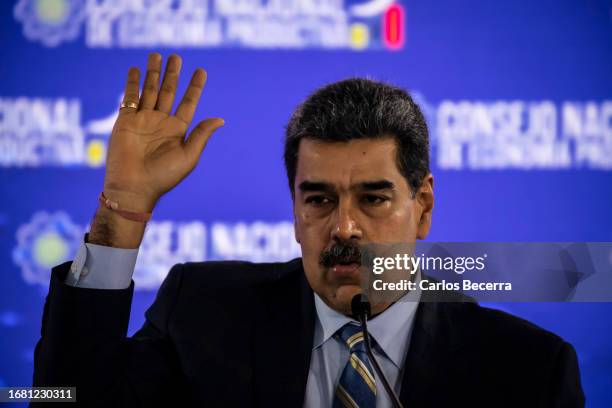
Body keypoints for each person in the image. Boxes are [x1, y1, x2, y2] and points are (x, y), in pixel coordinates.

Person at [32, 54, 585, 407]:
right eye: (319, 199)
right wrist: (122, 210)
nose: (343, 226)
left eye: (373, 198)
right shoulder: (203, 313)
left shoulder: (526, 371)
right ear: (295, 209)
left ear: (423, 206)